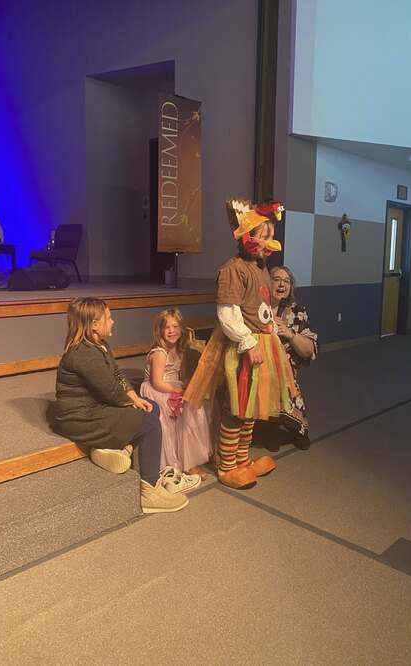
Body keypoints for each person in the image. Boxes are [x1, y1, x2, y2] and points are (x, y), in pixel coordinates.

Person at [184, 198, 297, 489]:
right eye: (263, 236)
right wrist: (248, 342)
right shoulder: (232, 269)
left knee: (252, 411)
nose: (268, 243)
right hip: (244, 346)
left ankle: (243, 460)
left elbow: (261, 306)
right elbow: (228, 313)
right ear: (247, 236)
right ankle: (227, 466)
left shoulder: (261, 268)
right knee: (237, 409)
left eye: (270, 236)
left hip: (263, 342)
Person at [53, 297, 188, 514]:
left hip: (95, 407)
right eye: (109, 318)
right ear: (95, 325)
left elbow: (117, 374)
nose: (113, 321)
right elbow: (110, 391)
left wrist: (134, 397)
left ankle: (118, 446)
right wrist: (131, 403)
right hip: (80, 418)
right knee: (149, 424)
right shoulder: (84, 354)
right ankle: (150, 492)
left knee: (151, 406)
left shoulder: (100, 345)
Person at [140, 308, 213, 488]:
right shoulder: (159, 353)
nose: (171, 331)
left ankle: (189, 461)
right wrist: (177, 391)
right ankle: (176, 464)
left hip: (173, 386)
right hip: (157, 390)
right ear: (160, 331)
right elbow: (157, 382)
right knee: (179, 412)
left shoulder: (179, 350)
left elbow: (180, 375)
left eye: (175, 326)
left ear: (181, 328)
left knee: (195, 405)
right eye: (167, 327)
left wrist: (189, 386)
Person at [253, 265, 318, 450]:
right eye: (276, 279)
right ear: (268, 283)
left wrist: (290, 334)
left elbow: (309, 349)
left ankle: (296, 428)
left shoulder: (297, 311)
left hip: (286, 372)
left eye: (286, 281)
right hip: (260, 367)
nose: (282, 284)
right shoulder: (256, 309)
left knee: (285, 384)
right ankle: (270, 427)